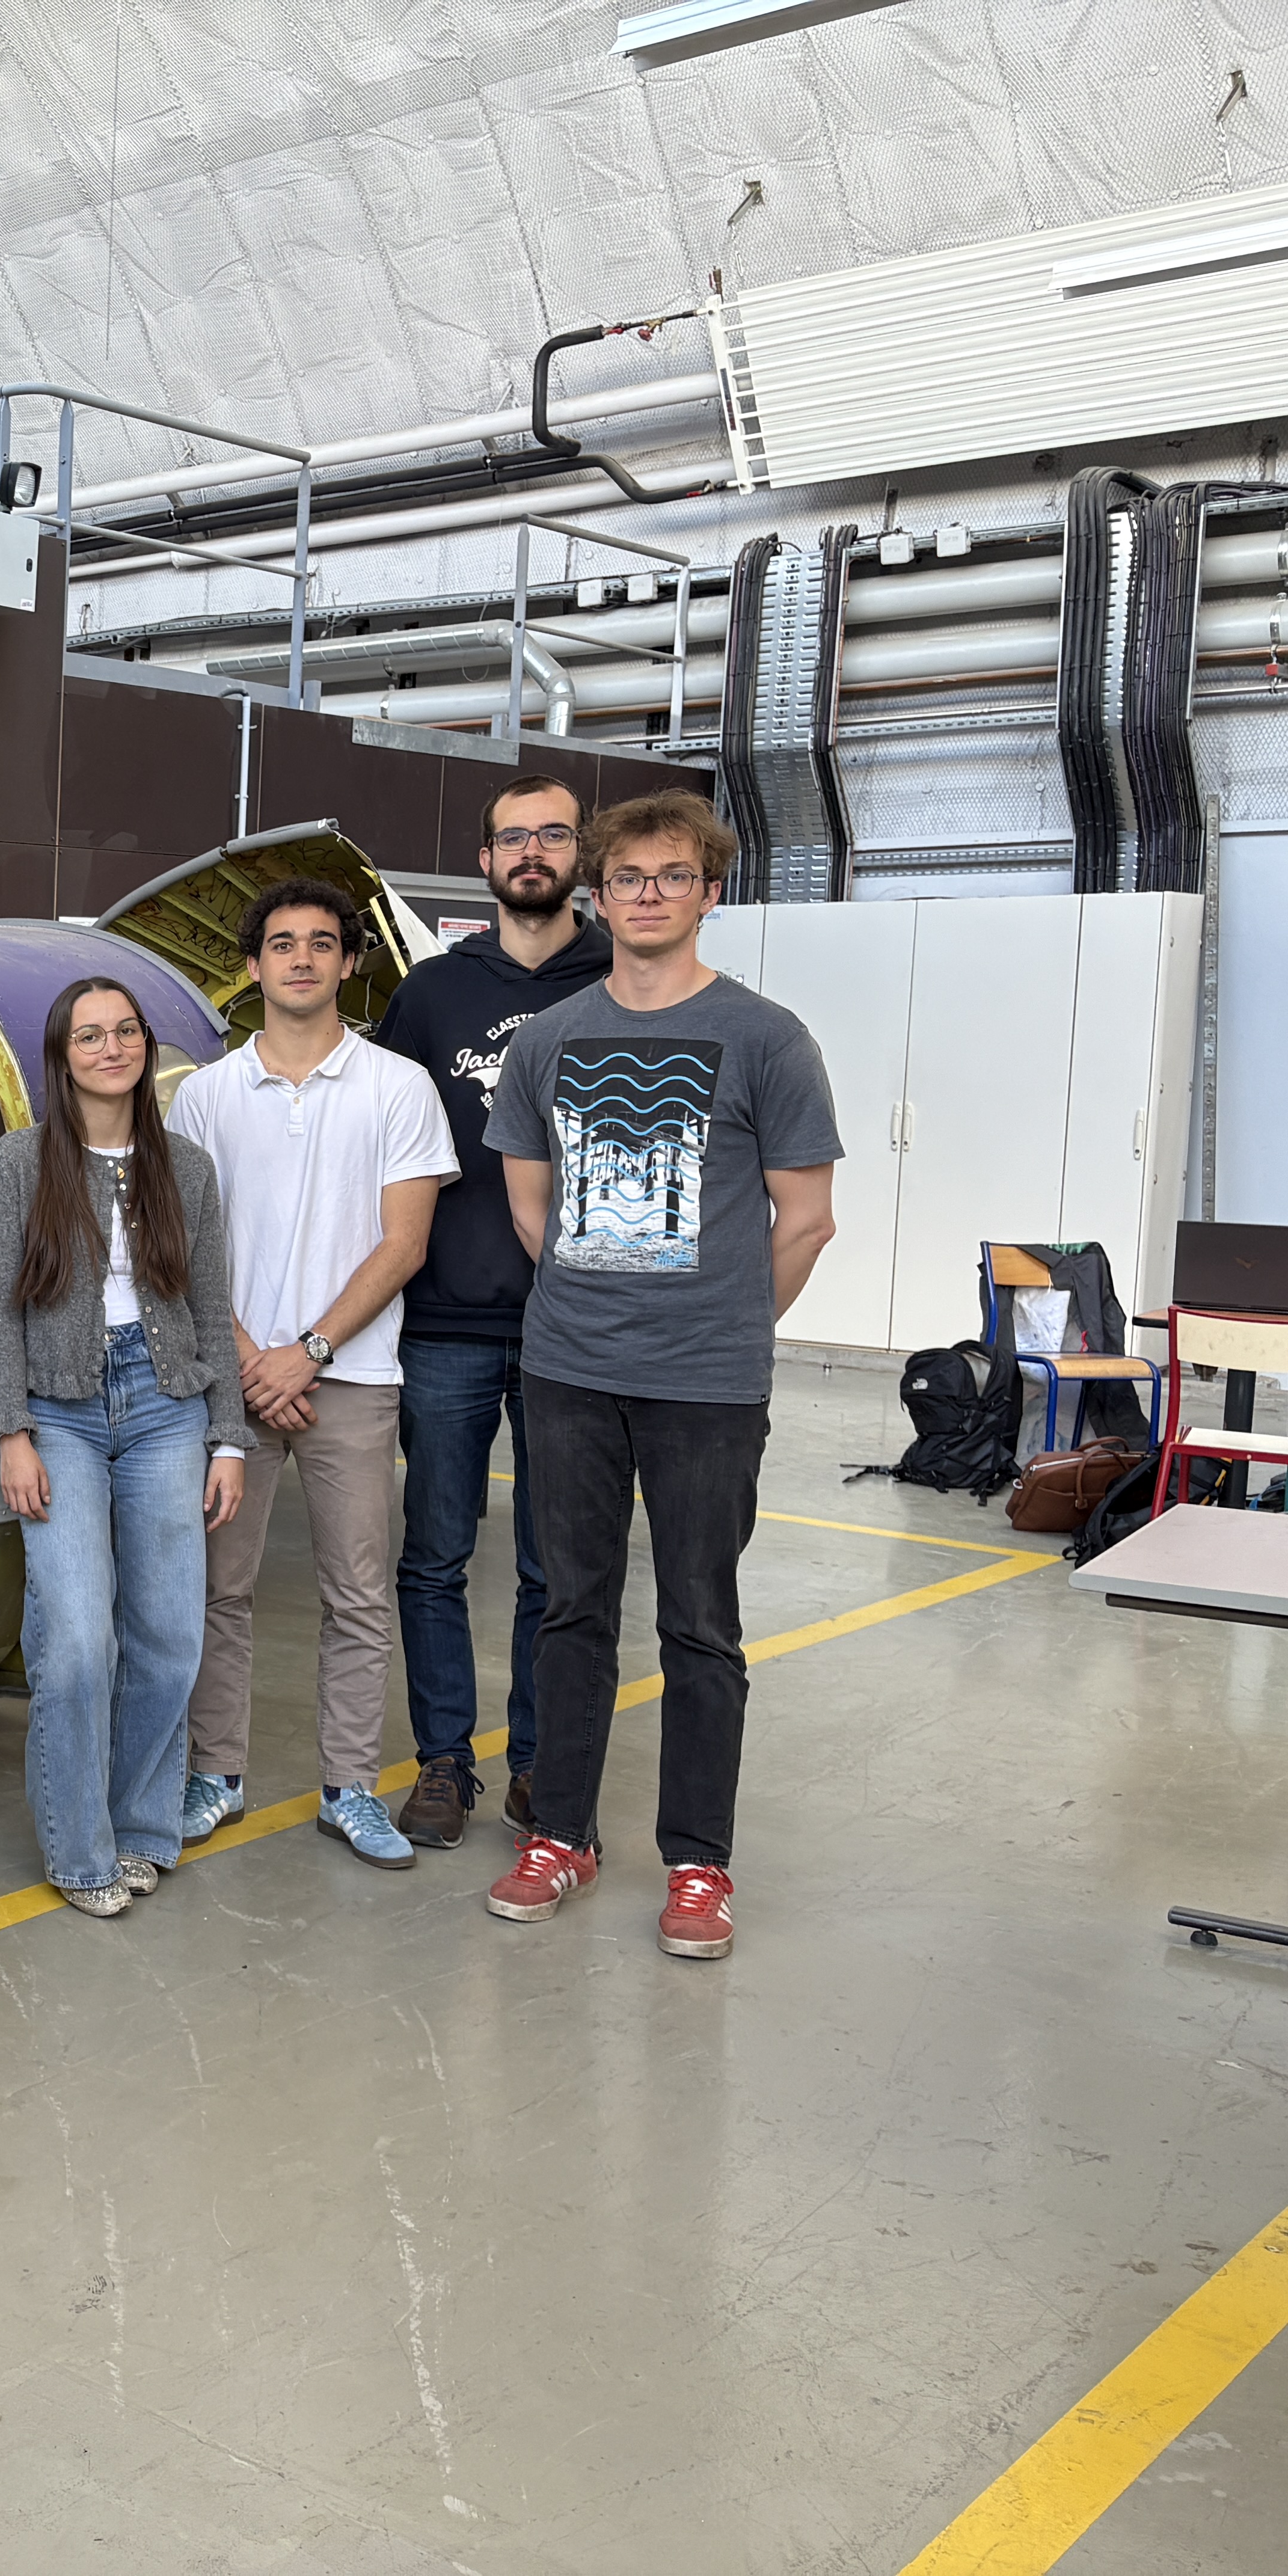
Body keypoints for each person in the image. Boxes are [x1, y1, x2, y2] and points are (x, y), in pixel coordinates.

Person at [480, 791, 839, 1962]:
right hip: (570, 1371)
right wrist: (603, 1300)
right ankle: (564, 1837)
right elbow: (531, 1204)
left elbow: (807, 1218)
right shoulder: (548, 1040)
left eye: (670, 875)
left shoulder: (767, 1038)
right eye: (626, 876)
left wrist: (723, 1322)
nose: (646, 893)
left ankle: (698, 1863)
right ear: (598, 893)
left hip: (709, 1385)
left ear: (709, 892)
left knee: (700, 1624)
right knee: (572, 1610)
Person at [167, 877, 458, 1870]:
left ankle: (349, 1789)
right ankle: (217, 1776)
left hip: (355, 1381)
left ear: (348, 962)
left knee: (359, 1595)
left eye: (321, 943)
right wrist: (253, 1362)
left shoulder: (398, 1088)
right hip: (233, 1385)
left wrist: (311, 1353)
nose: (301, 959)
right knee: (218, 1590)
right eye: (282, 944)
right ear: (252, 968)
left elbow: (405, 1242)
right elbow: (190, 1250)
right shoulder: (204, 1097)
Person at [370, 773, 613, 1848]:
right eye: (513, 838)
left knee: (554, 1568)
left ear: (580, 855)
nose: (532, 853)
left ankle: (534, 1767)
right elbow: (380, 1148)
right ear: (484, 861)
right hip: (446, 1324)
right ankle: (441, 1763)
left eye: (552, 835)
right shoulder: (431, 993)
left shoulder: (626, 977)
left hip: (579, 1327)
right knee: (433, 1555)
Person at [0, 979, 250, 1916]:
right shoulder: (19, 1164)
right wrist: (11, 1431)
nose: (111, 1047)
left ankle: (141, 1828)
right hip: (61, 1411)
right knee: (81, 1637)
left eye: (125, 1031)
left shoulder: (190, 1168)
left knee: (171, 1636)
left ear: (145, 1046)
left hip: (169, 1403)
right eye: (89, 1035)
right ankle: (80, 1850)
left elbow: (211, 1308)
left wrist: (228, 1436)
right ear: (62, 1055)